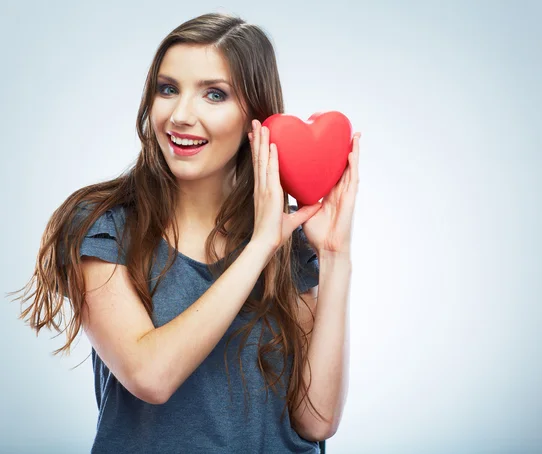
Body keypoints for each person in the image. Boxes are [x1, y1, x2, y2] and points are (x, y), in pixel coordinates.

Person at [10, 12, 360, 454]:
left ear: (256, 116)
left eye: (214, 94)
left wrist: (334, 255)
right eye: (168, 89)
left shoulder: (290, 242)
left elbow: (317, 420)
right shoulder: (102, 225)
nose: (180, 115)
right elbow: (150, 376)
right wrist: (259, 248)